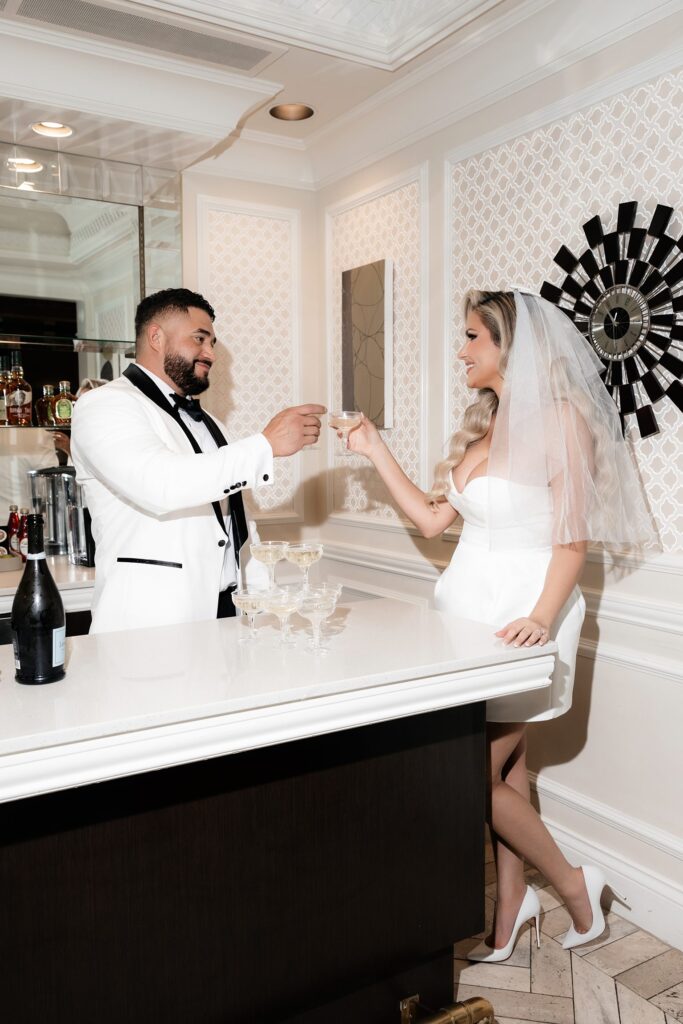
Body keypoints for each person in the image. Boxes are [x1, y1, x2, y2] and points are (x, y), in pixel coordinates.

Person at [338, 289, 656, 959]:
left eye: (472, 337)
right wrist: (372, 449)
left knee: (464, 775)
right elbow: (431, 522)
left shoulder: (564, 422)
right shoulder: (486, 431)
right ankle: (514, 905)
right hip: (462, 617)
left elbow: (571, 542)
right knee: (504, 775)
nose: (460, 350)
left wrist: (540, 620)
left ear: (509, 344)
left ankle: (573, 886)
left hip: (521, 620)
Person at [72, 287, 324, 634]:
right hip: (149, 626)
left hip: (226, 617)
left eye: (212, 344)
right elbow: (160, 485)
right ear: (156, 337)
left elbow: (233, 523)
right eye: (200, 339)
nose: (211, 354)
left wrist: (262, 606)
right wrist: (265, 445)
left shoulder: (212, 424)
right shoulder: (103, 405)